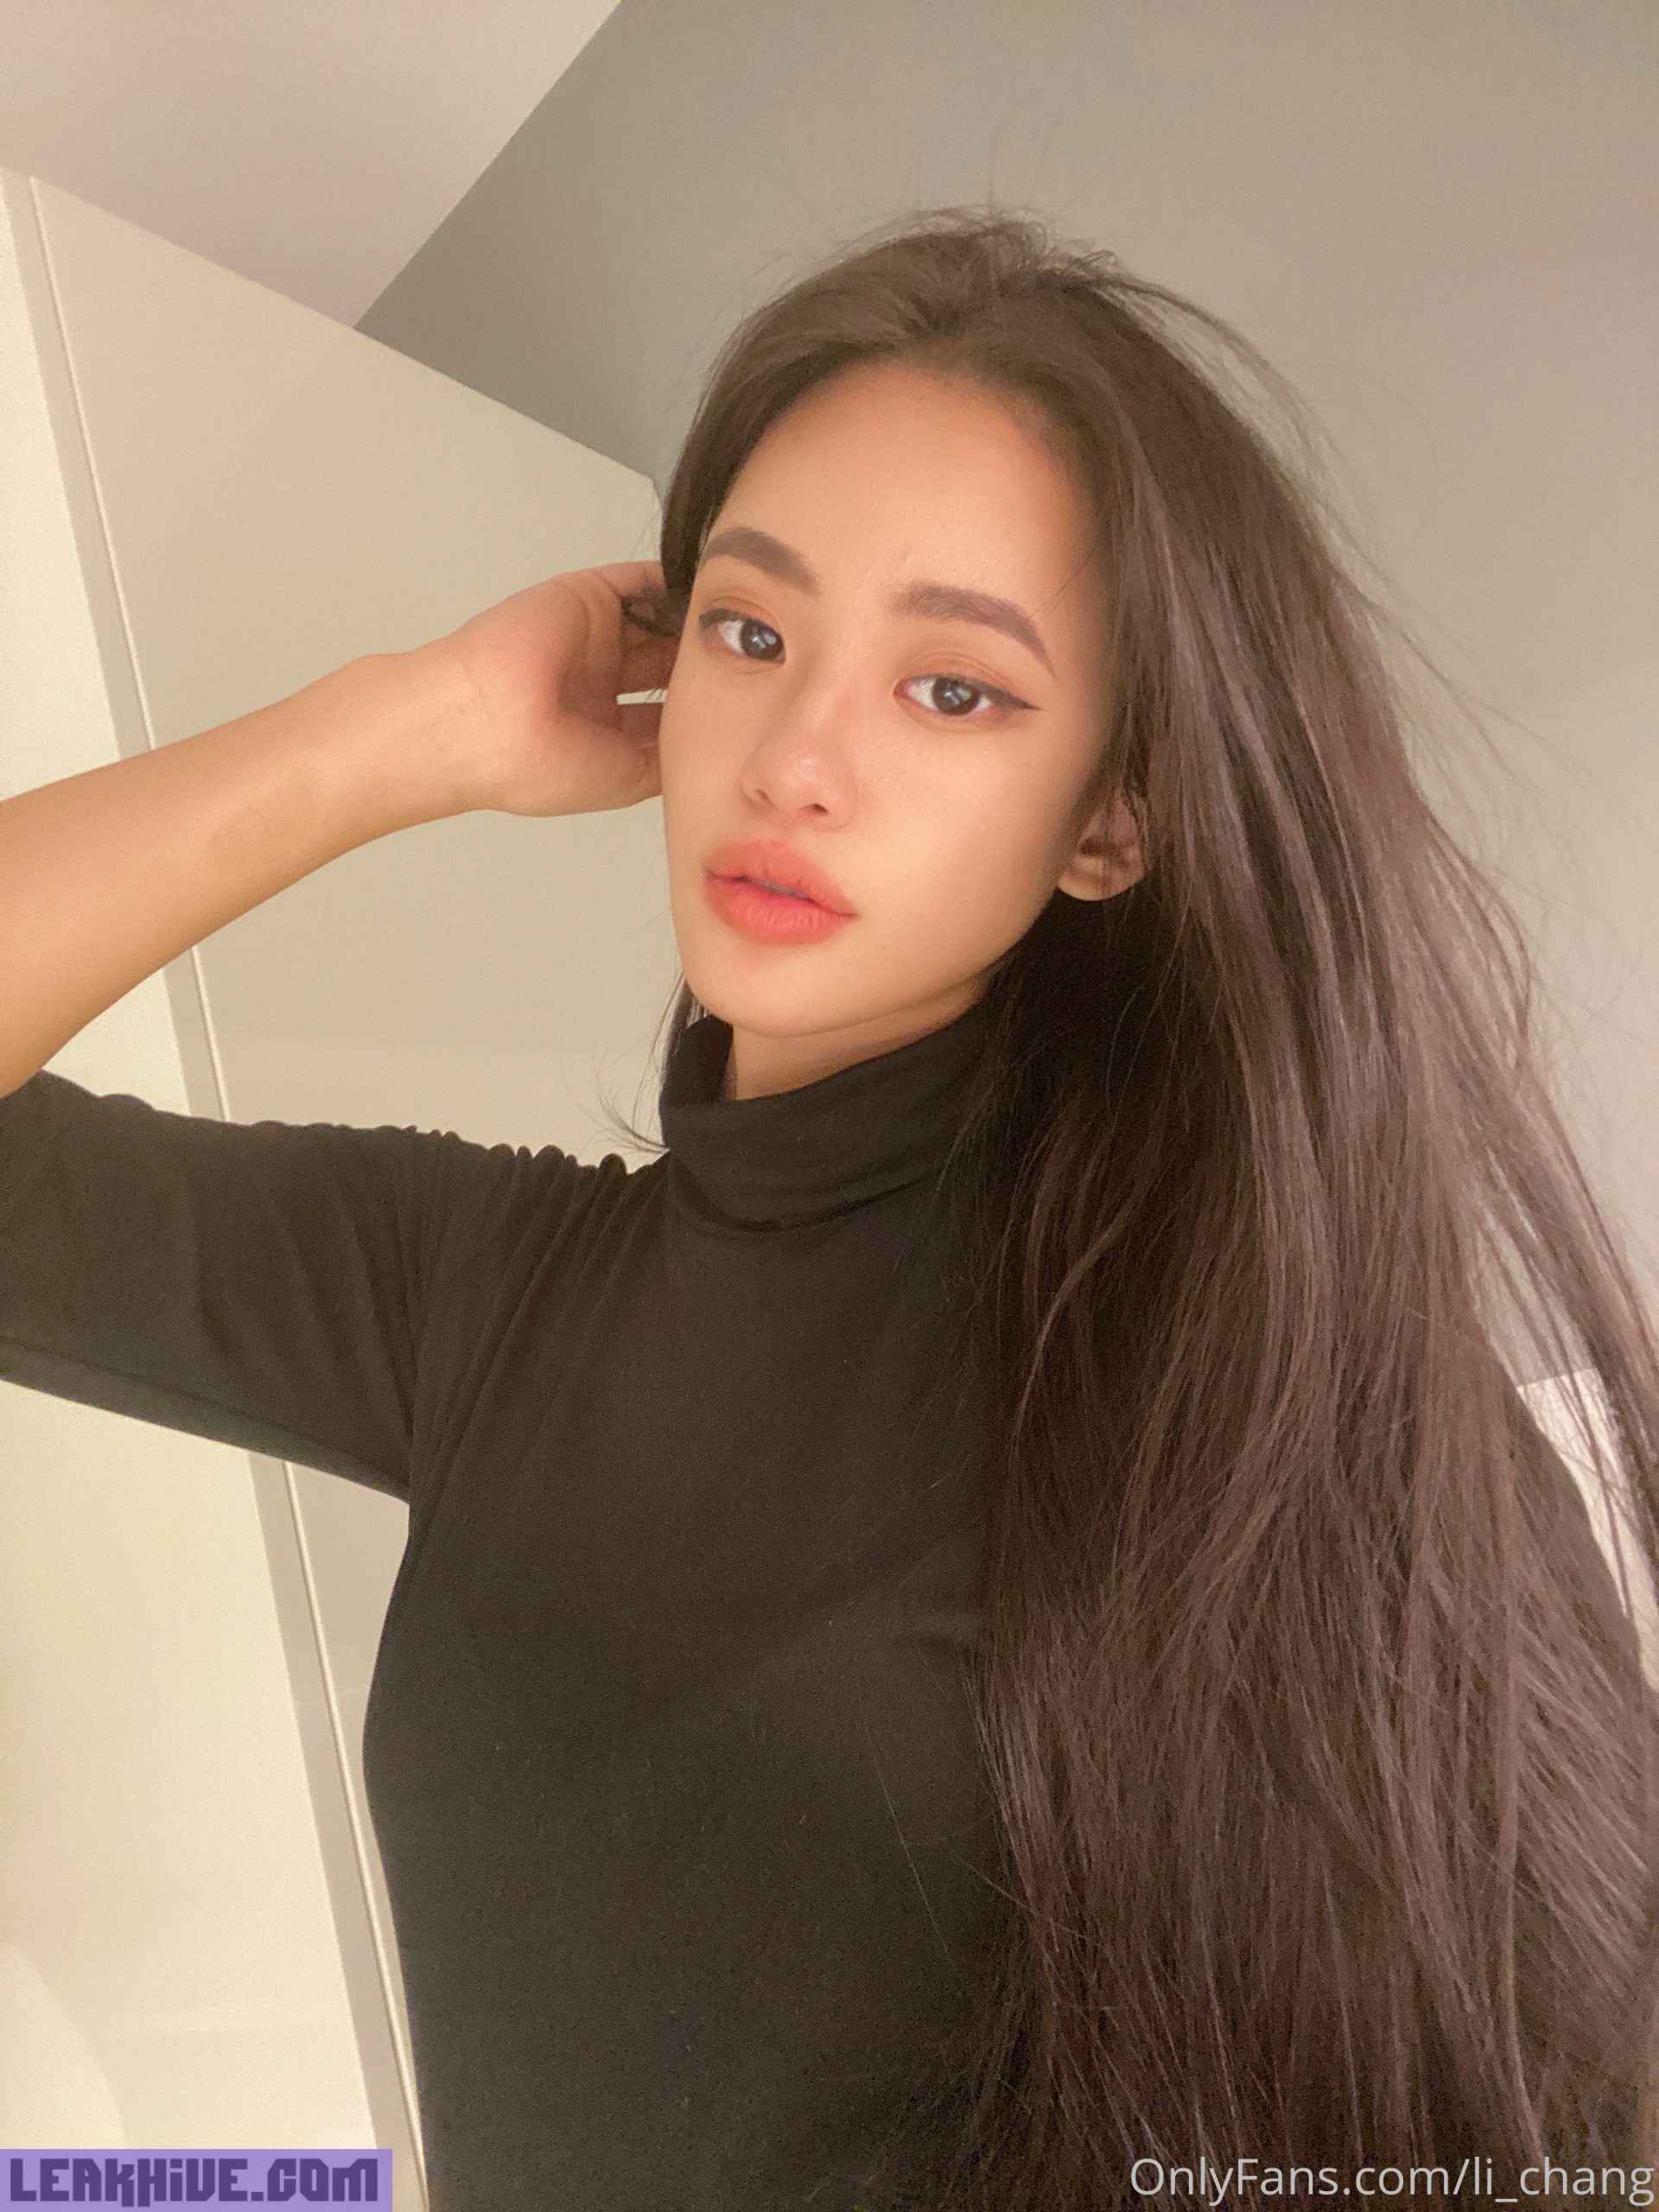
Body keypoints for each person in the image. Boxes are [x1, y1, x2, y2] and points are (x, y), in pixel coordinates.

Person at [2, 205, 1656, 2211]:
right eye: (750, 631)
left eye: (953, 689)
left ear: (1113, 819)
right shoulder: (491, 1291)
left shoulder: (1301, 1416)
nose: (794, 759)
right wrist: (403, 729)